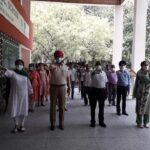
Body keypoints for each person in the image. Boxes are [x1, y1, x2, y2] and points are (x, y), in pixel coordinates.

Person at [0, 59, 33, 133]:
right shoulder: (12, 73)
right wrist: (3, 69)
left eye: (21, 64)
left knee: (23, 109)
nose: (19, 65)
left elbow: (29, 84)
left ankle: (22, 125)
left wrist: (31, 92)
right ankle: (16, 125)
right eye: (17, 64)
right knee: (14, 109)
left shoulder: (25, 74)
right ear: (15, 65)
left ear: (23, 65)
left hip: (24, 95)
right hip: (14, 95)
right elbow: (4, 73)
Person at [49, 50, 70, 130]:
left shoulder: (65, 67)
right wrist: (55, 63)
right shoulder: (52, 65)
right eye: (57, 57)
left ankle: (61, 122)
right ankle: (53, 123)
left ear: (62, 58)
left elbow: (67, 78)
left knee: (62, 106)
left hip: (63, 87)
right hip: (53, 87)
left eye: (60, 57)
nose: (59, 58)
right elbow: (50, 68)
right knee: (53, 106)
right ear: (55, 58)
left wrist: (69, 87)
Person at [90, 61, 108, 128]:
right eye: (97, 65)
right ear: (95, 66)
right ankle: (92, 121)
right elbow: (91, 75)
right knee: (93, 108)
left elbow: (106, 83)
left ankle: (101, 122)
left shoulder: (104, 73)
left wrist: (106, 92)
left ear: (101, 66)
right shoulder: (93, 72)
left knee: (101, 108)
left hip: (102, 91)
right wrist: (95, 72)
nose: (98, 66)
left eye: (99, 65)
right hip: (94, 91)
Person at [133, 61, 150, 128]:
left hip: (148, 94)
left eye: (147, 65)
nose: (146, 67)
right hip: (140, 93)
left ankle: (146, 122)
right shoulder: (139, 72)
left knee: (147, 109)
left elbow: (148, 81)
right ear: (142, 66)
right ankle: (139, 122)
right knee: (139, 108)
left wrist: (146, 74)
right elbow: (136, 83)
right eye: (144, 65)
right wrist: (134, 93)